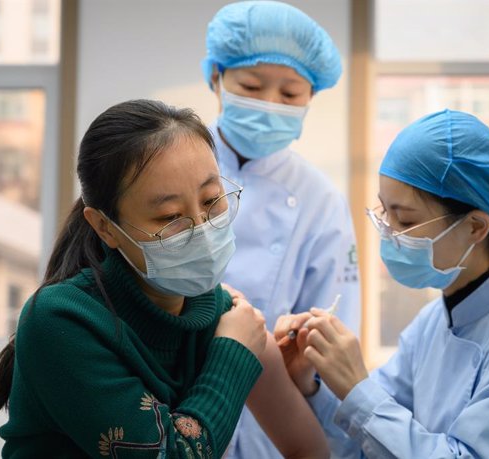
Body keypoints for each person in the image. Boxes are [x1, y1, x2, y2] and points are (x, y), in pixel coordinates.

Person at [0, 100, 329, 458]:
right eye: (169, 217)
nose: (202, 228)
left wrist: (300, 376)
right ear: (105, 227)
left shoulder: (224, 314)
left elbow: (312, 451)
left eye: (212, 199)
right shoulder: (62, 320)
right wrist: (234, 353)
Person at [276, 109, 489, 458]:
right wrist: (311, 383)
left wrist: (357, 387)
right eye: (385, 212)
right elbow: (365, 444)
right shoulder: (432, 325)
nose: (389, 233)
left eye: (406, 219)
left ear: (475, 227)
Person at [201, 1, 361, 457]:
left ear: (312, 97)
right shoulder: (168, 161)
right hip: (167, 394)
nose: (269, 105)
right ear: (216, 78)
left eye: (290, 94)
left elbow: (334, 326)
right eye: (250, 86)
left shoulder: (319, 198)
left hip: (270, 417)